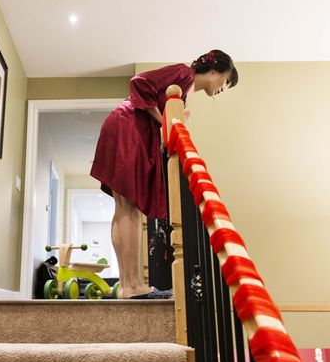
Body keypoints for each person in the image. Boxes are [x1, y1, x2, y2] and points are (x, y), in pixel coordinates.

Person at [90, 50, 239, 299]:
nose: (223, 88)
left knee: (122, 206)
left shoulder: (185, 89)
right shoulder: (184, 73)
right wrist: (162, 121)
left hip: (122, 124)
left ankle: (128, 284)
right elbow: (139, 82)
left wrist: (164, 130)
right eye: (226, 81)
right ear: (214, 71)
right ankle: (133, 285)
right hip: (129, 126)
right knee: (130, 207)